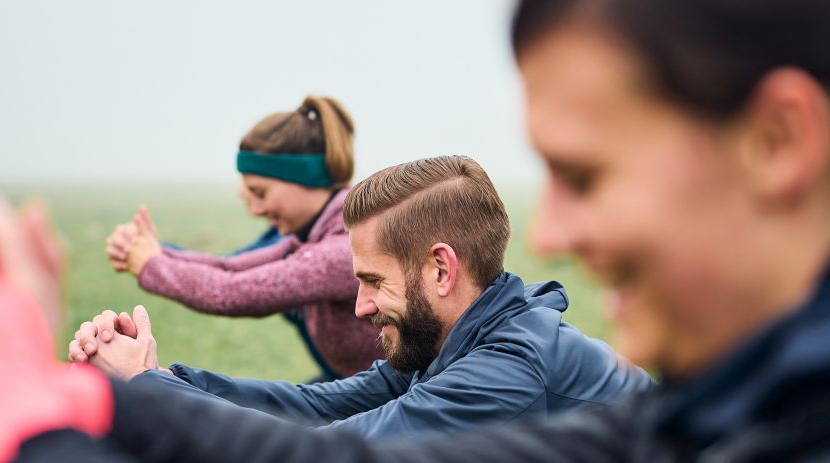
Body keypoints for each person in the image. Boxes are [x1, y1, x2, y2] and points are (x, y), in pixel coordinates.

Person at [0, 0, 830, 463]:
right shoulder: (735, 421)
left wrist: (4, 432)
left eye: (586, 176)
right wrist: (94, 399)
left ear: (779, 142)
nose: (550, 231)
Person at [70, 156, 651, 438]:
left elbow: (327, 460)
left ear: (441, 271)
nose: (360, 306)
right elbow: (310, 407)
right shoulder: (456, 339)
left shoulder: (506, 372)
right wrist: (164, 379)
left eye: (372, 281)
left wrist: (148, 394)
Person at [104, 95, 381, 381]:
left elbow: (231, 291)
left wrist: (150, 264)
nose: (256, 208)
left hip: (396, 394)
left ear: (306, 181)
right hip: (354, 382)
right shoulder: (316, 235)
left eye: (260, 193)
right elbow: (231, 267)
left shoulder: (344, 246)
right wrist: (155, 253)